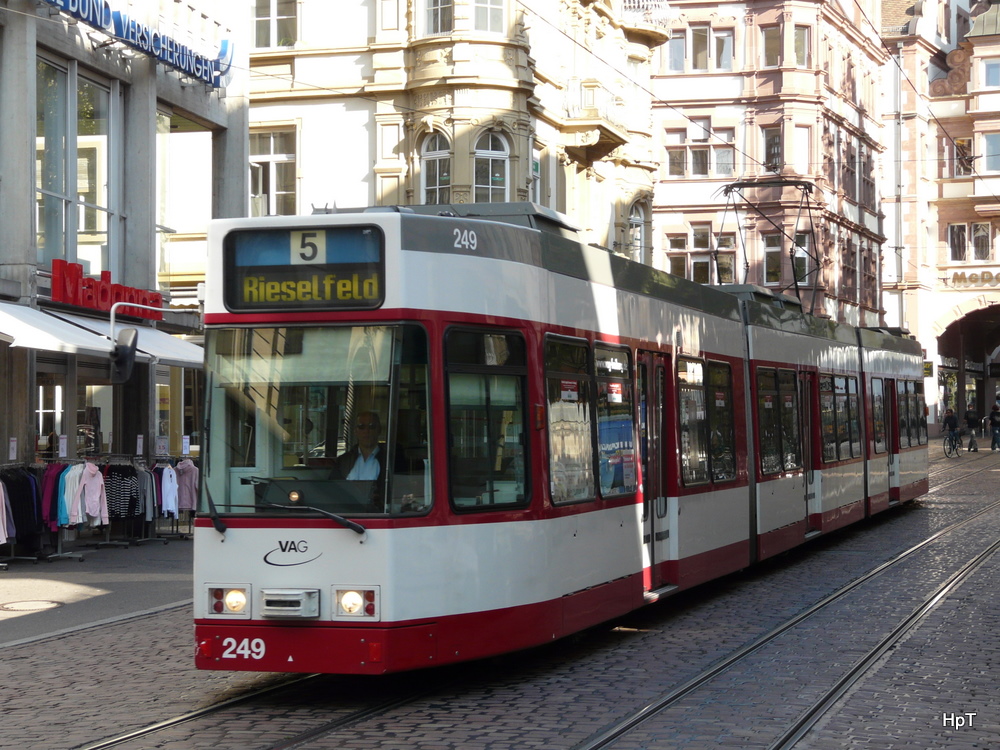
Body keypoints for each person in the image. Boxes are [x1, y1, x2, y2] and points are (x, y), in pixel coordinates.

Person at [335, 411, 387, 480]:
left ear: (379, 430)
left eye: (372, 426)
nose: (366, 431)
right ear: (355, 431)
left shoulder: (388, 460)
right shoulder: (344, 461)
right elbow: (334, 487)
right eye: (361, 427)